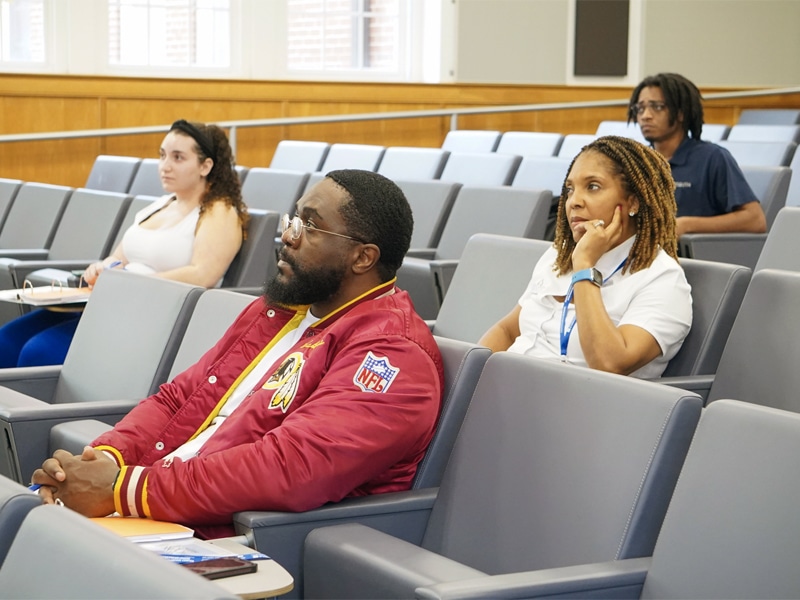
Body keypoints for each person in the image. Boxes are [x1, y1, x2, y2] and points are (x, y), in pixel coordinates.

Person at [31, 169, 444, 539]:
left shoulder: (391, 353)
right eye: (294, 219)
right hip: (157, 503)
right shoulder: (279, 309)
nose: (288, 235)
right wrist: (100, 459)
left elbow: (289, 468)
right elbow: (179, 399)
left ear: (363, 257)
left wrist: (123, 489)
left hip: (225, 536)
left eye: (311, 228)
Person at [0, 119, 248, 368]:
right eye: (162, 156)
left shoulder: (220, 211)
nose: (165, 166)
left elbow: (203, 274)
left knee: (38, 352)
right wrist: (103, 269)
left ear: (205, 166)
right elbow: (118, 258)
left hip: (152, 314)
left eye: (178, 158)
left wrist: (131, 285)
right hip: (115, 301)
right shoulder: (159, 205)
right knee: (7, 340)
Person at [479, 136, 692, 379]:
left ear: (633, 202)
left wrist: (584, 266)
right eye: (570, 189)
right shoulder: (558, 256)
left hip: (581, 409)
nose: (573, 202)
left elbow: (609, 363)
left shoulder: (662, 280)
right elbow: (507, 331)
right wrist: (472, 374)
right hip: (509, 387)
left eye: (592, 186)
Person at [628, 72, 767, 236]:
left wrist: (687, 224)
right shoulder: (638, 161)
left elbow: (755, 220)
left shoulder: (713, 158)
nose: (645, 116)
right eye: (640, 108)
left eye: (657, 107)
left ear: (681, 113)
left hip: (693, 256)